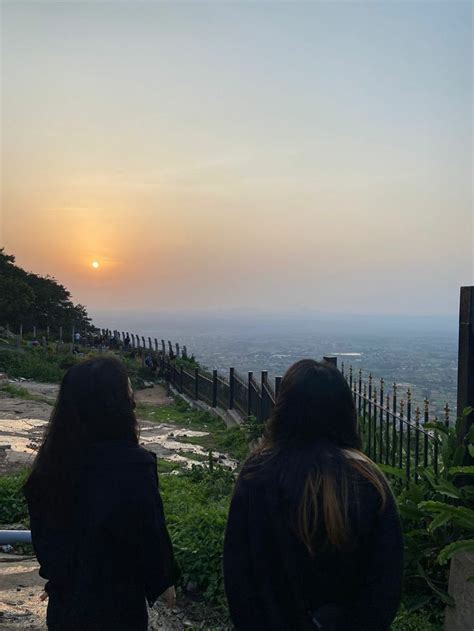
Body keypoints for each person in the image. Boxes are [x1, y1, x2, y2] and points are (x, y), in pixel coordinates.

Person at [224, 359, 403, 631]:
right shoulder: (368, 483)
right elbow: (385, 585)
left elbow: (238, 575)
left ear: (282, 410)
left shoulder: (257, 474)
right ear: (346, 413)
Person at [23, 356, 177, 631]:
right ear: (115, 406)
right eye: (128, 392)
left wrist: (59, 577)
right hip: (118, 607)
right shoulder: (134, 466)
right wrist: (163, 582)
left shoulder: (50, 466)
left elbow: (45, 538)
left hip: (65, 606)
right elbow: (149, 533)